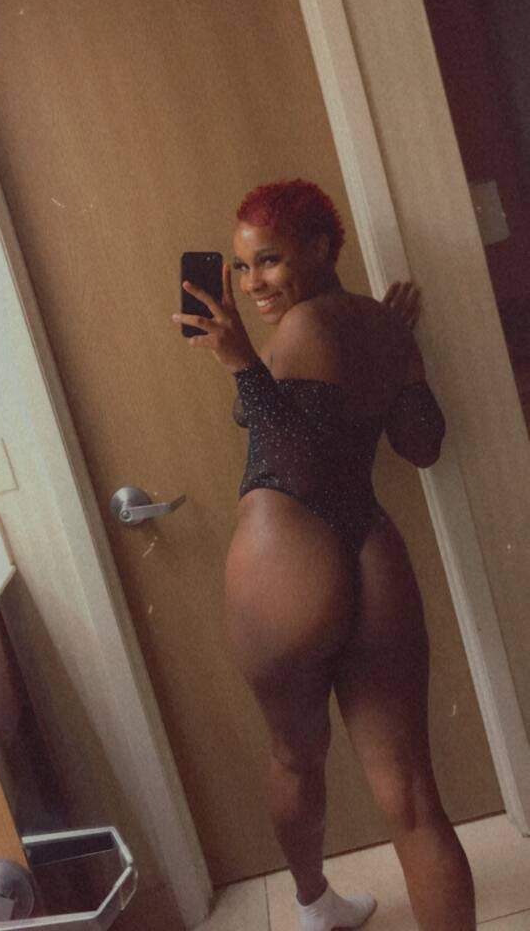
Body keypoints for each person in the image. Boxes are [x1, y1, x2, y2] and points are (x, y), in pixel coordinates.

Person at [172, 179, 475, 931]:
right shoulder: (383, 324)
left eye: (269, 260)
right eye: (242, 267)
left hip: (287, 560)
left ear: (319, 248)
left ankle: (314, 905)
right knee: (412, 795)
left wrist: (242, 365)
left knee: (293, 755)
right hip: (371, 551)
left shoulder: (301, 326)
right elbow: (422, 444)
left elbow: (292, 465)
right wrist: (399, 357)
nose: (252, 283)